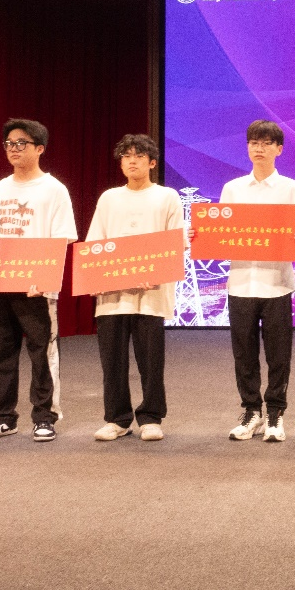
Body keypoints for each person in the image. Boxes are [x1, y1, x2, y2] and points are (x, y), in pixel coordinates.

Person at [0, 119, 78, 443]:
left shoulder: (54, 189)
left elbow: (61, 239)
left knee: (42, 353)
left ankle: (45, 416)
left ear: (40, 148)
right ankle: (3, 417)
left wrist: (44, 278)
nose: (14, 149)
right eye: (9, 143)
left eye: (22, 143)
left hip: (37, 289)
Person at [88, 135, 184, 443]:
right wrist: (93, 278)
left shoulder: (167, 197)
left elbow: (176, 241)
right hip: (112, 295)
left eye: (139, 156)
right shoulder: (109, 198)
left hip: (151, 293)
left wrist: (158, 272)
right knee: (112, 361)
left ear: (152, 162)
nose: (132, 160)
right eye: (126, 155)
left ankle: (151, 418)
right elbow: (96, 242)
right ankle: (117, 419)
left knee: (151, 360)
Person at [218, 120, 295, 443]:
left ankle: (275, 413)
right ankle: (251, 411)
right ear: (247, 147)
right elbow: (221, 233)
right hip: (241, 282)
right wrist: (202, 235)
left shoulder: (292, 189)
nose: (259, 148)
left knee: (278, 355)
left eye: (267, 143)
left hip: (277, 283)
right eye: (254, 143)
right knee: (243, 354)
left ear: (278, 149)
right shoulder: (233, 189)